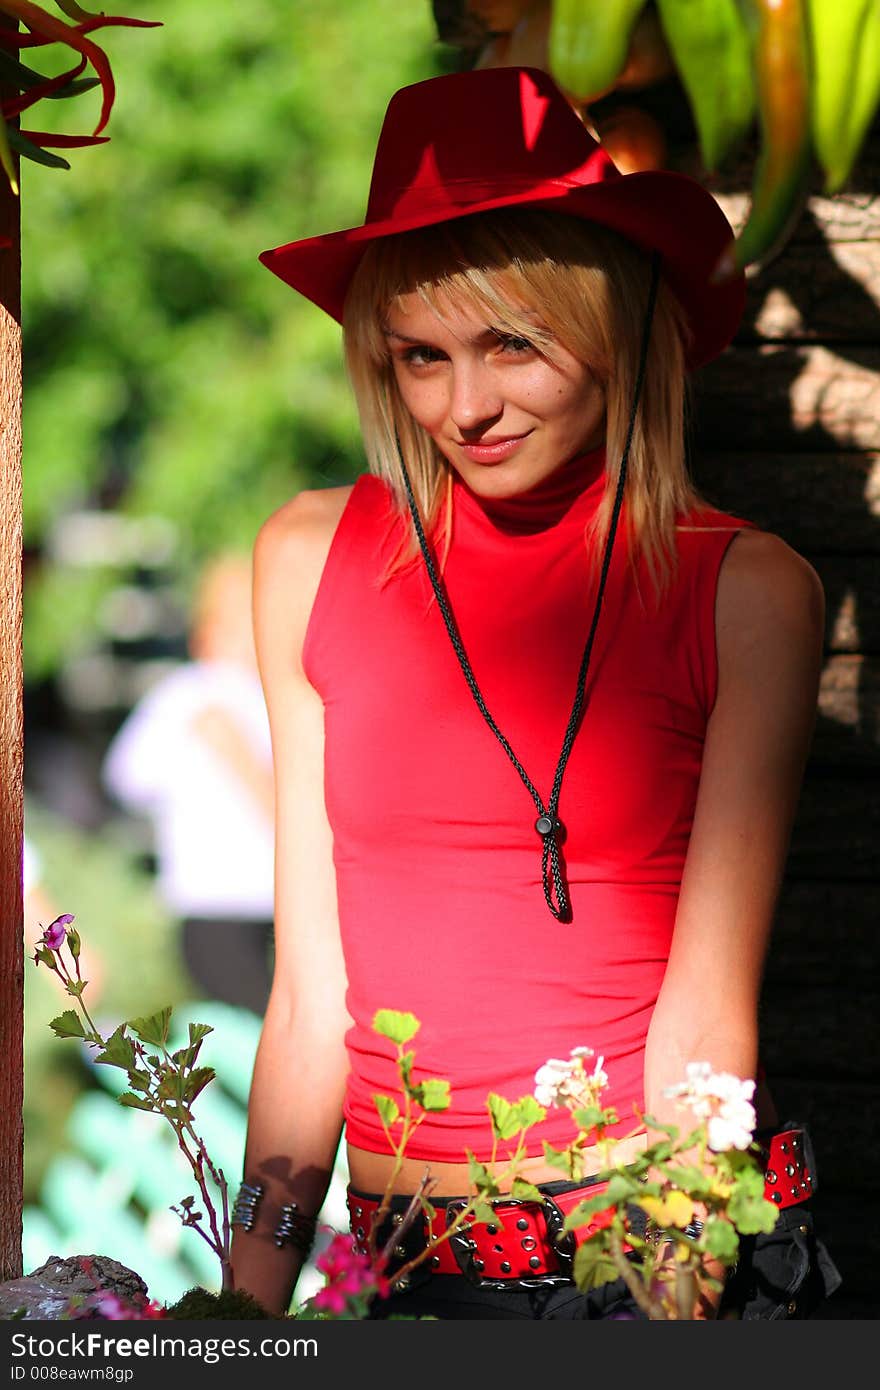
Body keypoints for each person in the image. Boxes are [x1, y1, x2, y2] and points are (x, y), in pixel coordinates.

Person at [229, 66, 840, 1319]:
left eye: (513, 342)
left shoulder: (745, 591)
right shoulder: (307, 558)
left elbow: (704, 1020)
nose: (466, 406)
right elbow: (307, 1002)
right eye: (420, 356)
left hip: (654, 1265)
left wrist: (669, 1308)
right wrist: (241, 1314)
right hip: (403, 1283)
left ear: (608, 330)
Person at [102, 553, 275, 1015]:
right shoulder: (187, 694)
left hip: (279, 902)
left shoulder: (275, 694)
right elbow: (128, 777)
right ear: (209, 627)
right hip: (214, 901)